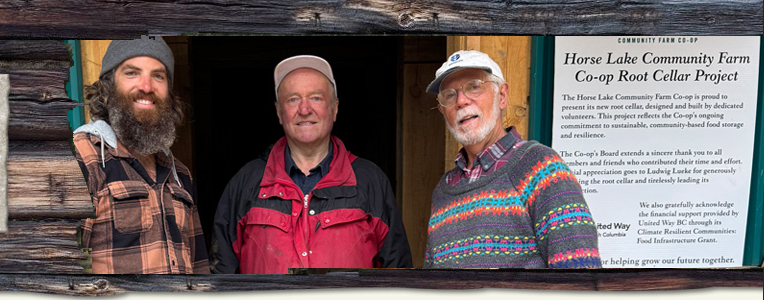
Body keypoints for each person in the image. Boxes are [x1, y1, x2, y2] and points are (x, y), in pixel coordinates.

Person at [211, 55, 412, 274]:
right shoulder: (246, 182)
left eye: (316, 98)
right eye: (293, 99)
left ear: (334, 109)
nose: (304, 109)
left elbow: (398, 274)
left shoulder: (370, 180)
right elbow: (220, 275)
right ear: (279, 112)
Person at [422, 50, 601, 268]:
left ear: (502, 96)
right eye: (449, 95)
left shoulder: (542, 169)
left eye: (474, 87)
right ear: (443, 111)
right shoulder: (444, 191)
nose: (461, 101)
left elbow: (580, 277)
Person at [72, 36, 207, 274]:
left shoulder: (180, 175)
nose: (146, 86)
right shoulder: (80, 159)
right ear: (108, 85)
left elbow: (200, 270)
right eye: (132, 73)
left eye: (158, 75)